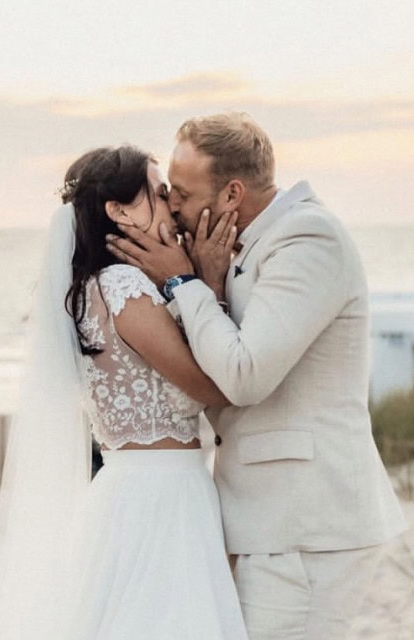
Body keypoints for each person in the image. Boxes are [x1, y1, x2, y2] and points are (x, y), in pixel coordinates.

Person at [105, 112, 407, 640]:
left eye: (182, 191)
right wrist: (209, 283)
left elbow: (244, 377)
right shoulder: (233, 249)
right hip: (262, 519)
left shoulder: (308, 239)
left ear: (231, 194)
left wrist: (180, 280)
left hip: (306, 525)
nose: (172, 204)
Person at [0, 145, 248, 640]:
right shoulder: (123, 286)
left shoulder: (91, 288)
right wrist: (204, 282)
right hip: (160, 499)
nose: (170, 205)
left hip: (138, 489)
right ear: (120, 211)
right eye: (159, 194)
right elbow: (214, 386)